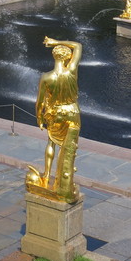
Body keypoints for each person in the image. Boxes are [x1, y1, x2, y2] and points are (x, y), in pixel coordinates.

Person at [26, 37, 83, 203]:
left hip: (55, 113)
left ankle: (47, 174)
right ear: (67, 57)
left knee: (51, 143)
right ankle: (67, 174)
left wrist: (39, 118)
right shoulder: (72, 70)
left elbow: (39, 102)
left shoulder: (46, 77)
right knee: (70, 144)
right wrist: (55, 41)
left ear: (54, 56)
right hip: (72, 111)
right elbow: (78, 45)